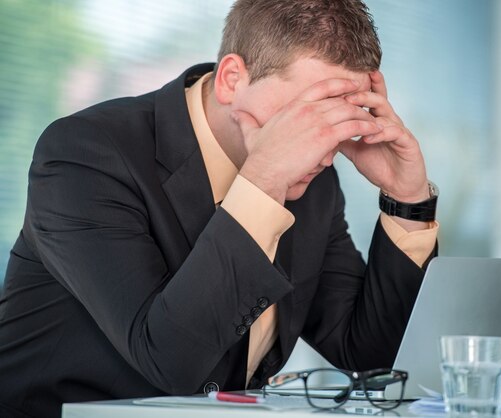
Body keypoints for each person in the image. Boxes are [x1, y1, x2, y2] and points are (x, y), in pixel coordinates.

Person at [0, 0, 439, 416]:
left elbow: (371, 358)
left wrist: (408, 200)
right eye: (306, 113)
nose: (323, 146)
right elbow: (169, 359)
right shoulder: (85, 154)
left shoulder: (314, 182)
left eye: (340, 115)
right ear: (232, 79)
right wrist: (263, 182)